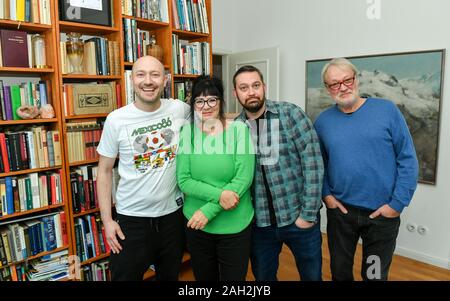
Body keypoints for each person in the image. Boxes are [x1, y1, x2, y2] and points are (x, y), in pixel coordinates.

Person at [314, 57, 419, 281]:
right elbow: (318, 164)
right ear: (327, 88)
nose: (342, 87)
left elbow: (407, 159)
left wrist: (396, 205)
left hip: (380, 217)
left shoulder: (387, 111)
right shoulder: (323, 122)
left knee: (374, 275)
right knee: (340, 272)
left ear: (356, 79)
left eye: (347, 80)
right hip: (341, 215)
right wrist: (327, 196)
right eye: (334, 84)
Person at [96, 56, 190, 281]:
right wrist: (108, 221)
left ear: (165, 80)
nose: (148, 81)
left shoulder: (179, 109)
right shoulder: (116, 120)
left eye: (155, 74)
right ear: (132, 80)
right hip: (131, 221)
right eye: (141, 74)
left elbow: (212, 117)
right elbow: (104, 171)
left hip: (172, 219)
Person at [233, 65, 324, 281]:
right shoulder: (236, 128)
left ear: (264, 87)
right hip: (260, 225)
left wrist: (308, 215)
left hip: (298, 218)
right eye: (243, 88)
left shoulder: (290, 114)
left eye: (256, 85)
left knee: (312, 277)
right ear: (236, 93)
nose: (251, 92)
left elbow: (313, 164)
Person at [176, 75, 255, 281]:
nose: (206, 105)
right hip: (197, 224)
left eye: (212, 99)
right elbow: (184, 180)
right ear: (193, 104)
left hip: (234, 224)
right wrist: (220, 196)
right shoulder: (187, 133)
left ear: (221, 101)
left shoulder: (239, 130)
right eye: (200, 100)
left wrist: (209, 211)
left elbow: (243, 178)